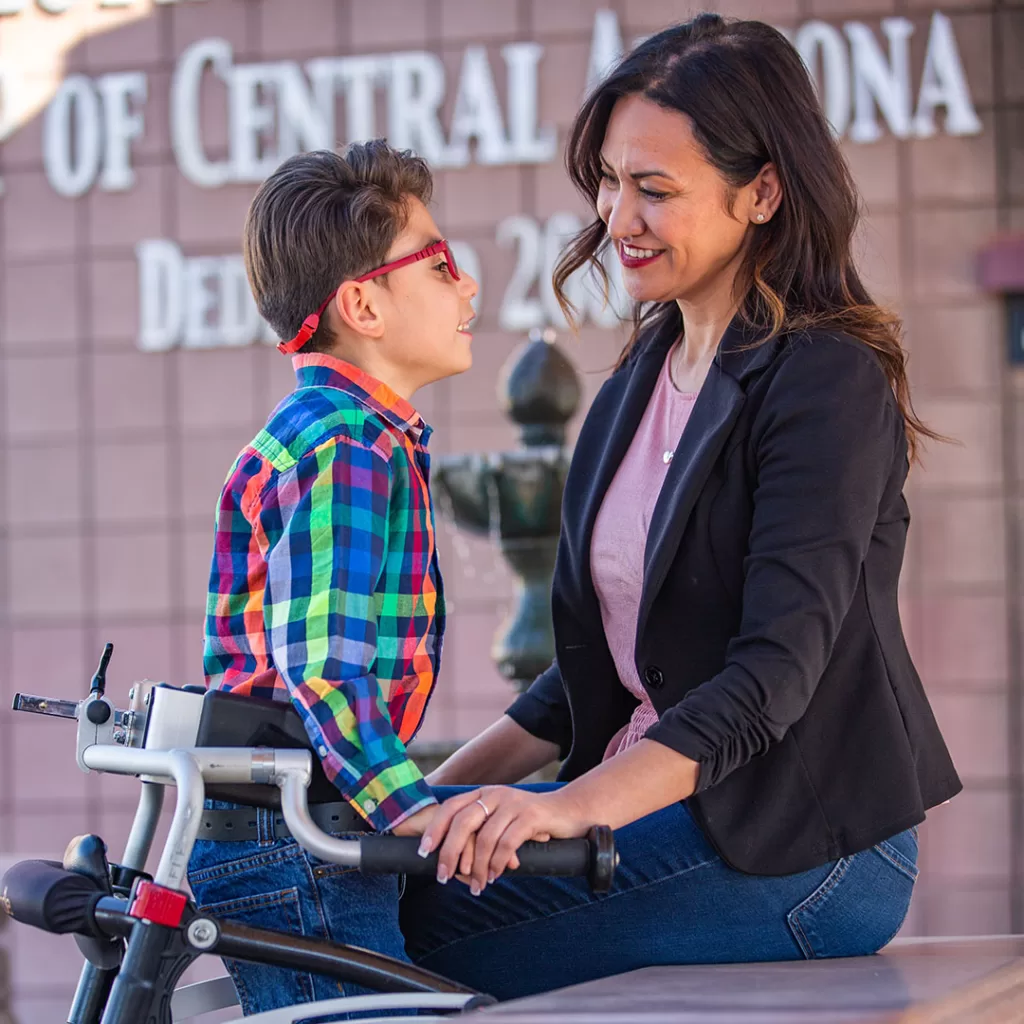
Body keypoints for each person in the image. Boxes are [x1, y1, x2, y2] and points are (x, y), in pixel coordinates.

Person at [399, 14, 962, 1000]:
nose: (618, 219)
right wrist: (411, 799)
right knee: (367, 875)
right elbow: (580, 685)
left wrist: (567, 808)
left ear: (762, 192)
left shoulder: (825, 380)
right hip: (656, 808)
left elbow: (770, 678)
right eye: (609, 182)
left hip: (800, 848)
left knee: (405, 923)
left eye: (654, 190)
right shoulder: (634, 383)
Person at [186, 141, 478, 1016]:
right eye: (442, 266)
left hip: (291, 825)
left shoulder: (334, 431)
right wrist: (412, 811)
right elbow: (321, 666)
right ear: (362, 303)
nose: (468, 289)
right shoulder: (347, 445)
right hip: (295, 835)